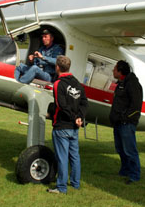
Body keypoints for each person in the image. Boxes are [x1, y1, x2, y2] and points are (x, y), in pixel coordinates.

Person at [47, 55, 88, 194]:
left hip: (62, 126)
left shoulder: (58, 83)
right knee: (75, 156)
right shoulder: (77, 83)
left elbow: (61, 105)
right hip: (74, 127)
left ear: (57, 67)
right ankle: (75, 184)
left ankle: (61, 187)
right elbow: (84, 102)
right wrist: (80, 118)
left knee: (62, 157)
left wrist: (76, 117)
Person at [109, 60, 143, 184]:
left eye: (114, 69)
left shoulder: (132, 84)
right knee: (120, 149)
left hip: (126, 124)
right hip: (118, 123)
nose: (113, 71)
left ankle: (134, 176)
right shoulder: (121, 83)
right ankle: (125, 170)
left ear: (120, 71)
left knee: (130, 150)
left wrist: (124, 118)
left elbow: (136, 105)